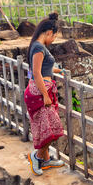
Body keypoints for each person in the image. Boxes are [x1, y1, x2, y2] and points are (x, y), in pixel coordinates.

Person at [25, 11, 65, 175]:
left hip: (41, 89)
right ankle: (37, 156)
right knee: (52, 129)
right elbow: (36, 72)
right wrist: (46, 95)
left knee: (46, 129)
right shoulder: (39, 48)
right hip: (40, 93)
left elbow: (43, 68)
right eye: (54, 37)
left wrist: (58, 70)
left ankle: (46, 160)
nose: (53, 40)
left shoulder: (37, 46)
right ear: (49, 33)